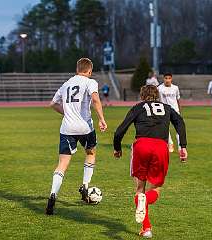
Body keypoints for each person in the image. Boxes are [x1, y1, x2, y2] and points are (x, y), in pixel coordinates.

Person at [113, 85, 187, 238]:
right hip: (161, 147)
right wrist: (183, 146)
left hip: (141, 146)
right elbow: (180, 123)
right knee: (156, 188)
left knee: (140, 189)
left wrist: (117, 148)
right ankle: (146, 212)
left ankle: (147, 229)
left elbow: (120, 129)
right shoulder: (167, 108)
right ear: (157, 96)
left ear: (142, 96)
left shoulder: (138, 107)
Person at [46, 58, 107, 215]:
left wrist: (67, 113)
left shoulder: (66, 84)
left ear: (77, 69)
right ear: (89, 71)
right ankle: (85, 186)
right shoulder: (90, 82)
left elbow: (52, 103)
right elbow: (95, 99)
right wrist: (101, 119)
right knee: (91, 153)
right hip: (85, 127)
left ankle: (53, 194)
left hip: (67, 128)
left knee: (62, 164)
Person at [157, 73, 182, 157]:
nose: (167, 80)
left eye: (169, 78)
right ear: (163, 79)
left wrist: (179, 110)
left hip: (175, 111)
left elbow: (177, 99)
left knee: (179, 129)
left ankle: (180, 146)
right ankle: (170, 143)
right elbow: (157, 100)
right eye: (166, 78)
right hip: (164, 111)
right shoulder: (159, 88)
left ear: (171, 79)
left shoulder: (175, 88)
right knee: (165, 128)